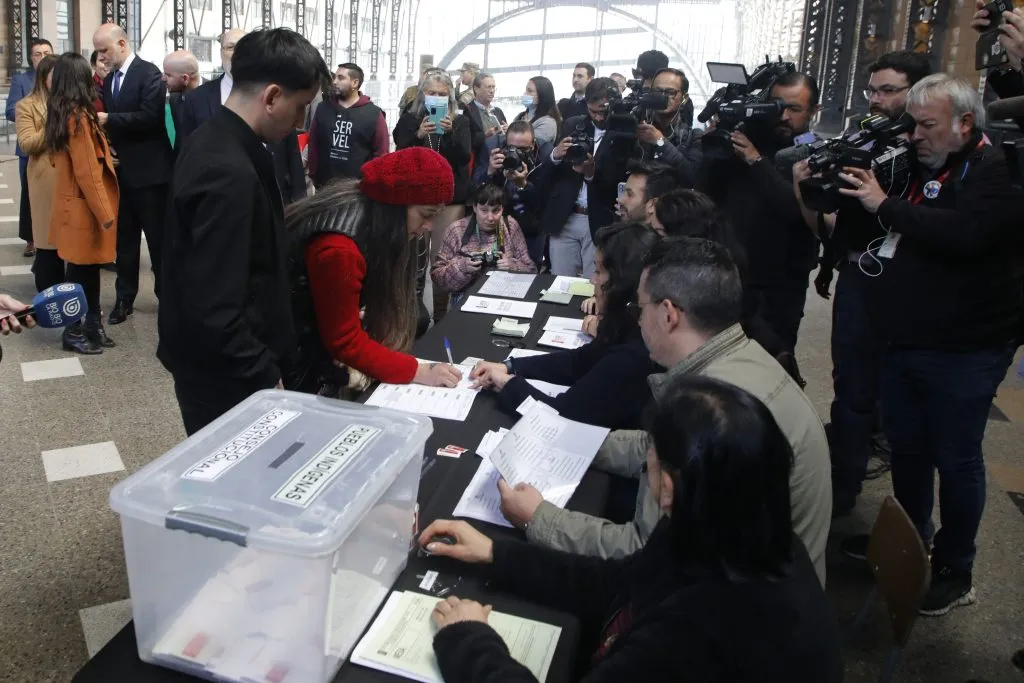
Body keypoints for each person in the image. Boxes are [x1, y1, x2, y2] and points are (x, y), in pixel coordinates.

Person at [420, 376, 844, 683]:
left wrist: (469, 639)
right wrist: (497, 553)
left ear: (669, 488)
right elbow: (619, 582)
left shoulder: (699, 632)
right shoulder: (734, 531)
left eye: (651, 461)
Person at [499, 238, 832, 586]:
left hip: (738, 610)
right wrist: (570, 441)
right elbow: (654, 445)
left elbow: (643, 549)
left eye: (639, 308)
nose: (638, 320)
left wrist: (536, 518)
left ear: (668, 315)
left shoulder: (716, 405)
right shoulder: (739, 357)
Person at [834, 74, 1023, 616]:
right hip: (906, 338)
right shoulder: (918, 164)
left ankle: (954, 569)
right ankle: (908, 544)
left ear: (966, 123)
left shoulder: (997, 171)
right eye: (911, 124)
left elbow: (965, 234)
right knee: (908, 450)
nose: (915, 135)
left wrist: (883, 206)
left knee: (957, 459)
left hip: (969, 347)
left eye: (927, 125)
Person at [158, 28, 330, 436]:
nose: (302, 121)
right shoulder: (227, 170)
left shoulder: (219, 141)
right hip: (228, 376)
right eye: (301, 106)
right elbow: (214, 302)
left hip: (220, 363)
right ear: (271, 97)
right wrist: (262, 376)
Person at [793, 50, 932, 518]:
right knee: (850, 384)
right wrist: (808, 187)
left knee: (905, 396)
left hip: (913, 284)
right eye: (872, 90)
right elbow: (828, 225)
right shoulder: (865, 141)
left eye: (888, 90)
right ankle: (842, 490)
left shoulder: (932, 152)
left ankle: (908, 517)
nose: (876, 100)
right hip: (858, 274)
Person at [283, 148, 463, 396]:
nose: (429, 226)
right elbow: (344, 340)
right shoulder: (339, 248)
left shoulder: (364, 212)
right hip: (293, 360)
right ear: (395, 205)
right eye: (425, 214)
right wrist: (418, 372)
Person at [471, 222, 663, 430]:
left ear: (620, 283)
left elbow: (559, 418)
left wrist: (507, 383)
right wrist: (510, 366)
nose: (592, 280)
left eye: (598, 272)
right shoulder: (624, 324)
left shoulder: (632, 356)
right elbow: (579, 361)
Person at [698, 71, 822, 367]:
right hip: (732, 272)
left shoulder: (813, 150)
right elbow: (704, 192)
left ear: (813, 111)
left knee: (774, 360)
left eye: (794, 109)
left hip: (782, 281)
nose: (783, 116)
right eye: (777, 106)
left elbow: (796, 210)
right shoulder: (745, 138)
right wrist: (715, 145)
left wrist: (756, 161)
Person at [93, 24, 174, 324]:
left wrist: (110, 119)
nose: (101, 57)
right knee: (124, 243)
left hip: (151, 176)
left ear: (122, 44)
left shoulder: (149, 74)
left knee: (158, 243)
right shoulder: (111, 78)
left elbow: (150, 118)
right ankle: (124, 299)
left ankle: (168, 300)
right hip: (122, 175)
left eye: (104, 50)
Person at [179, 28, 307, 205]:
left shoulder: (277, 94)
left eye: (243, 47)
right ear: (220, 52)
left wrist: (299, 198)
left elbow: (291, 152)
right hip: (215, 198)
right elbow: (185, 152)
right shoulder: (197, 99)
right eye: (230, 47)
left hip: (273, 196)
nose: (237, 53)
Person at [45, 52, 119, 355]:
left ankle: (91, 324)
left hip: (76, 205)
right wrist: (106, 213)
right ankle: (73, 330)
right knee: (78, 273)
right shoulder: (78, 118)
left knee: (86, 270)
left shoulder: (66, 113)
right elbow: (88, 172)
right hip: (84, 208)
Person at [393, 69, 472, 323]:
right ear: (422, 94)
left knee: (442, 258)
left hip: (449, 199)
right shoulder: (410, 117)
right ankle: (410, 314)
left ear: (450, 95)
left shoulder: (460, 121)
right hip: (416, 197)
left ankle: (440, 316)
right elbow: (400, 151)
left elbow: (464, 157)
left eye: (441, 93)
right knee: (412, 257)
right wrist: (418, 135)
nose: (436, 97)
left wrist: (448, 134)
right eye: (431, 93)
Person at [541, 77, 631, 278]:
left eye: (603, 111)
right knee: (561, 283)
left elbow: (621, 177)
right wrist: (556, 155)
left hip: (600, 217)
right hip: (565, 216)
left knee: (594, 284)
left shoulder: (624, 132)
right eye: (593, 111)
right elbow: (552, 171)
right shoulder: (573, 125)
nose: (599, 117)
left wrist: (592, 173)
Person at [432, 183, 536, 306]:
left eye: (496, 210)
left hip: (504, 295)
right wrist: (463, 267)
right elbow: (437, 278)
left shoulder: (510, 226)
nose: (490, 218)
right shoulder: (457, 230)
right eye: (484, 210)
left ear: (502, 208)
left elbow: (532, 270)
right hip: (466, 296)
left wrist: (512, 265)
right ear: (475, 208)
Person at [15, 56, 63, 293]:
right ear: (44, 78)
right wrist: (53, 123)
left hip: (73, 180)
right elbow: (27, 144)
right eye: (56, 76)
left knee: (74, 244)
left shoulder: (73, 102)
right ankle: (49, 294)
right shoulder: (26, 105)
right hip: (45, 181)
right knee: (48, 244)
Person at [476, 120, 553, 267]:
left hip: (531, 224)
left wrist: (523, 185)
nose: (516, 153)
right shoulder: (492, 147)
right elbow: (476, 187)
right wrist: (490, 171)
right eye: (512, 148)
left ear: (533, 144)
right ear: (505, 143)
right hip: (498, 222)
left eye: (523, 149)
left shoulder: (545, 153)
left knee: (529, 269)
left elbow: (545, 199)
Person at [7, 38, 54, 259]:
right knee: (30, 195)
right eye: (38, 53)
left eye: (47, 52)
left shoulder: (60, 80)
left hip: (56, 152)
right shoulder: (22, 80)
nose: (43, 57)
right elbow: (11, 110)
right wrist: (31, 111)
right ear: (31, 58)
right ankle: (31, 239)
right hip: (30, 148)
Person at [307, 62, 389, 187]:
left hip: (357, 189)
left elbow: (381, 153)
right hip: (324, 187)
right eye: (335, 77)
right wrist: (313, 174)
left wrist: (370, 181)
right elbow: (313, 143)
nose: (334, 82)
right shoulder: (323, 108)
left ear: (355, 83)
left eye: (341, 78)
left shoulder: (373, 114)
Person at [637, 68, 703, 187]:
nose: (663, 96)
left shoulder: (694, 136)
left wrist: (660, 142)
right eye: (657, 91)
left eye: (670, 92)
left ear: (684, 98)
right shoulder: (639, 126)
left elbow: (692, 176)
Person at [463, 71, 507, 176]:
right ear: (476, 89)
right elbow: (466, 141)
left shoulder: (498, 111)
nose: (492, 91)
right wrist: (485, 135)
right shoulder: (467, 110)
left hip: (498, 164)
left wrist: (507, 131)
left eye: (493, 87)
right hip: (477, 165)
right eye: (488, 87)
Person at [162, 49, 202, 154]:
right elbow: (180, 138)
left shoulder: (215, 94)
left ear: (185, 78)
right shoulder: (174, 99)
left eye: (168, 75)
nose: (163, 78)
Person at [513, 75, 561, 147]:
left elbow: (529, 145)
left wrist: (510, 134)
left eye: (530, 91)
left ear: (542, 95)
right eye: (526, 90)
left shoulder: (548, 123)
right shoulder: (521, 116)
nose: (525, 94)